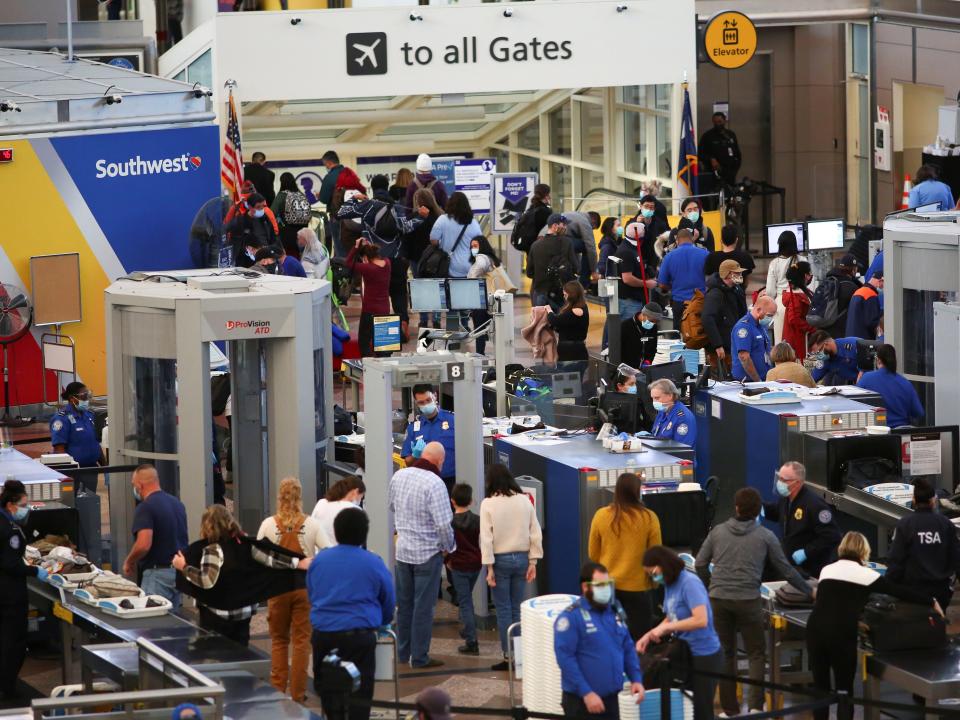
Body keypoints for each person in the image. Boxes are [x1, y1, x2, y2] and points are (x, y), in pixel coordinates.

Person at [695, 487, 813, 717]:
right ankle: (756, 707)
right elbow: (786, 570)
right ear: (758, 510)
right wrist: (809, 591)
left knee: (726, 654)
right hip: (749, 601)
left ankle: (729, 710)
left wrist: (710, 585)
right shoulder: (766, 537)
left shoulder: (718, 532)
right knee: (756, 655)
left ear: (736, 508)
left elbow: (700, 563)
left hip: (718, 600)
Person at [807, 532, 939, 720]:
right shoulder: (868, 575)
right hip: (841, 634)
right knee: (844, 691)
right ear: (864, 551)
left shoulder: (826, 570)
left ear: (842, 547)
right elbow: (898, 592)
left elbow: (830, 600)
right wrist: (931, 601)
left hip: (815, 630)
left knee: (820, 689)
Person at [173, 504, 309, 646]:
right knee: (242, 652)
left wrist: (183, 567)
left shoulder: (213, 548)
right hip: (244, 611)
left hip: (219, 614)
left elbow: (207, 580)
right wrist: (297, 563)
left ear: (207, 525)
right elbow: (270, 559)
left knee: (218, 654)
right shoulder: (245, 543)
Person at [307, 507, 394, 720]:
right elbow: (388, 600)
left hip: (324, 634)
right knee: (361, 693)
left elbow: (312, 592)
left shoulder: (320, 561)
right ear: (364, 533)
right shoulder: (373, 562)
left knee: (327, 690)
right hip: (360, 636)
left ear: (336, 532)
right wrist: (382, 622)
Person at [257, 478, 326, 703]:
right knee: (301, 642)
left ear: (280, 497)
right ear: (300, 497)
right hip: (303, 589)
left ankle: (277, 691)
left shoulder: (269, 524)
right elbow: (328, 552)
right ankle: (297, 695)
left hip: (277, 589)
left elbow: (257, 555)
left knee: (278, 640)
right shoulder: (312, 524)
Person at [390, 442, 454, 668]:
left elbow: (392, 507)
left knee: (404, 605)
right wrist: (449, 548)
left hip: (403, 552)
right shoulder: (435, 483)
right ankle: (419, 657)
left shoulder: (399, 476)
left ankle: (402, 652)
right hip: (427, 554)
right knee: (423, 608)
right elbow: (444, 525)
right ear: (439, 461)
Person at [638, 546, 721, 720]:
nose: (653, 577)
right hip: (685, 653)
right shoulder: (670, 584)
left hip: (704, 654)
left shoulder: (689, 582)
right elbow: (671, 615)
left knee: (701, 711)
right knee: (685, 708)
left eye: (653, 572)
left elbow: (701, 619)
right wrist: (651, 633)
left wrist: (667, 628)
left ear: (663, 564)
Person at [554, 561, 644, 719]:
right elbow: (565, 659)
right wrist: (586, 693)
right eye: (600, 585)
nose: (606, 590)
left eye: (608, 584)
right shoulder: (571, 617)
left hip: (610, 699)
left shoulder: (614, 611)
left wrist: (636, 678)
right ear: (585, 587)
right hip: (582, 701)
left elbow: (627, 646)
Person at [480, 464, 543, 671]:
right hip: (522, 559)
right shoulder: (524, 500)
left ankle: (508, 657)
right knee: (517, 608)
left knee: (503, 609)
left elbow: (486, 539)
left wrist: (489, 568)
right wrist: (533, 561)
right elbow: (535, 532)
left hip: (500, 561)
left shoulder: (488, 504)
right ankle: (522, 657)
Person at [588, 473, 662, 639]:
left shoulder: (601, 515)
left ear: (617, 491)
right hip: (639, 589)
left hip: (606, 587)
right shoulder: (649, 518)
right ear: (638, 492)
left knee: (607, 638)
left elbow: (593, 554)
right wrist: (656, 585)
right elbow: (656, 556)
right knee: (638, 640)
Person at [0, 480, 47, 706]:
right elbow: (10, 563)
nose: (26, 509)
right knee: (14, 641)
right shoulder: (9, 530)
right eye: (23, 504)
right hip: (10, 594)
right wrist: (34, 570)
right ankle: (7, 688)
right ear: (11, 505)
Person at [885, 477, 960, 610]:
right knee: (937, 626)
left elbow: (896, 560)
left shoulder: (905, 524)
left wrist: (890, 587)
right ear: (933, 500)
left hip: (913, 593)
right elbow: (956, 557)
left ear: (913, 500)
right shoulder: (945, 524)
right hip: (940, 591)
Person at [121, 464, 188, 607]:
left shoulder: (145, 508)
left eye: (134, 484)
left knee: (153, 623)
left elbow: (144, 544)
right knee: (171, 620)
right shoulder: (177, 503)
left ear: (139, 485)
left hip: (157, 575)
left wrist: (129, 560)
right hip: (177, 573)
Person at [762, 461, 842, 578]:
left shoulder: (815, 505)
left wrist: (806, 552)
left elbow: (832, 536)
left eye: (784, 480)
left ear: (797, 483)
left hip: (810, 570)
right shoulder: (786, 499)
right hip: (792, 566)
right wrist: (761, 507)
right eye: (779, 478)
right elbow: (779, 513)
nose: (780, 483)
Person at [448, 483, 482, 655]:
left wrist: (447, 559)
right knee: (467, 597)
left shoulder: (451, 523)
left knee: (465, 602)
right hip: (476, 564)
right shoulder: (478, 520)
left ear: (452, 501)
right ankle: (467, 628)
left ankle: (471, 640)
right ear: (471, 501)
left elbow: (448, 545)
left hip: (459, 565)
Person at [50, 381, 104, 491]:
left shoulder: (89, 415)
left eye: (87, 396)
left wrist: (105, 465)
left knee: (89, 502)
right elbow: (59, 448)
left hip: (91, 468)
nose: (86, 400)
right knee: (73, 503)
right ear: (72, 398)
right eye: (83, 396)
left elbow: (95, 442)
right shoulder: (61, 419)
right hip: (74, 471)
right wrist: (68, 472)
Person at [401, 385, 456, 489]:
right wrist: (415, 455)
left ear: (435, 396)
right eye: (421, 402)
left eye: (428, 400)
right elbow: (408, 462)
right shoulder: (413, 428)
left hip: (451, 482)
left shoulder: (453, 421)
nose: (426, 404)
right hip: (424, 484)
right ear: (416, 403)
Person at [856, 344, 924, 427]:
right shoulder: (906, 383)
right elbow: (918, 412)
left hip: (878, 433)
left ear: (878, 360)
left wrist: (857, 384)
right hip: (902, 433)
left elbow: (855, 405)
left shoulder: (867, 378)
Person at [346, 240, 391, 357]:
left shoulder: (368, 269)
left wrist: (356, 247)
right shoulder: (387, 263)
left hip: (369, 311)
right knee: (384, 347)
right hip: (385, 310)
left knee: (364, 343)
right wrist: (369, 245)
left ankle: (369, 368)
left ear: (365, 257)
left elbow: (348, 263)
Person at [657, 229, 708, 330]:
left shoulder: (669, 257)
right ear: (692, 238)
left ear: (677, 240)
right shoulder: (705, 254)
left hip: (679, 303)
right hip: (700, 302)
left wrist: (673, 286)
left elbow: (662, 284)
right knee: (700, 334)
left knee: (680, 336)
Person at [702, 259, 748, 373]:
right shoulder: (715, 294)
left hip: (733, 344)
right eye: (736, 273)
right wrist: (718, 345)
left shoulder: (736, 289)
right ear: (727, 274)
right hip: (723, 347)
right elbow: (707, 318)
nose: (740, 275)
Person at [526, 213, 578, 310]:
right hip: (561, 294)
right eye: (564, 225)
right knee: (561, 321)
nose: (566, 227)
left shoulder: (535, 245)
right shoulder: (567, 242)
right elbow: (576, 268)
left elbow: (529, 273)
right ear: (555, 226)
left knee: (541, 323)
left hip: (540, 293)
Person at [765, 231, 805, 344]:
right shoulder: (803, 261)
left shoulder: (774, 263)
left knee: (781, 343)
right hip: (800, 304)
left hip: (781, 305)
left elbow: (770, 291)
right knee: (800, 342)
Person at [614, 223, 659, 322]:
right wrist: (646, 283)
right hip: (628, 301)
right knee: (628, 330)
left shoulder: (632, 248)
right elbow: (627, 278)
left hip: (633, 299)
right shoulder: (626, 251)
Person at [698, 112, 741, 209]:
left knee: (731, 201)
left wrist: (734, 170)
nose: (718, 124)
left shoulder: (731, 135)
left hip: (730, 175)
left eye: (720, 121)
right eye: (715, 122)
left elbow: (737, 154)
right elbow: (700, 154)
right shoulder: (708, 136)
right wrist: (711, 159)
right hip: (714, 176)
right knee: (714, 201)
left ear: (725, 121)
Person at [466, 236, 501, 355]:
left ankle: (479, 355)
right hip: (492, 300)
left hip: (481, 301)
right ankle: (498, 358)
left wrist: (472, 276)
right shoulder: (491, 258)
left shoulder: (481, 257)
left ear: (482, 246)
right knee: (494, 332)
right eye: (471, 246)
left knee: (479, 332)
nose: (473, 248)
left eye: (475, 246)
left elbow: (478, 269)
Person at [731, 296, 776, 382]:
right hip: (749, 382)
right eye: (769, 315)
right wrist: (758, 381)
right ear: (758, 310)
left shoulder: (760, 326)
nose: (770, 318)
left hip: (763, 378)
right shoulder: (744, 327)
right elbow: (744, 357)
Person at [311, 476, 366, 547]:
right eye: (361, 497)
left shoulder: (321, 503)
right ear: (355, 492)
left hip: (318, 554)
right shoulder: (355, 510)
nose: (360, 501)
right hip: (342, 555)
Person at [820, 254, 862, 340]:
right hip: (841, 332)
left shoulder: (827, 281)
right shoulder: (851, 287)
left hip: (823, 330)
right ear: (853, 270)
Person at [271, 172, 311, 259]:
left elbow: (272, 212)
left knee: (290, 255)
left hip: (287, 231)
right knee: (303, 255)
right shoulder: (301, 194)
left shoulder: (282, 195)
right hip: (303, 230)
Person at [547, 280, 590, 362]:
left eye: (565, 294)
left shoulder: (577, 311)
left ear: (572, 294)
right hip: (571, 349)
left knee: (569, 373)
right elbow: (565, 325)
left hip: (571, 352)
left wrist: (549, 311)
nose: (564, 296)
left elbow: (555, 320)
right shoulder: (580, 306)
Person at [781, 263, 815, 360]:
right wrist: (811, 328)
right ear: (805, 276)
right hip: (799, 341)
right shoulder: (796, 296)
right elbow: (794, 319)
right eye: (809, 273)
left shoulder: (799, 292)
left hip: (800, 339)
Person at [648, 378, 697, 445]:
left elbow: (682, 449)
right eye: (652, 398)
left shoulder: (682, 418)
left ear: (670, 396)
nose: (654, 402)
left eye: (657, 398)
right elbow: (655, 435)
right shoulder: (663, 411)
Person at [626, 195, 668, 271]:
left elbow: (665, 242)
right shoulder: (631, 222)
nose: (649, 209)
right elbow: (628, 239)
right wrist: (636, 224)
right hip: (637, 261)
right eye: (646, 206)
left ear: (654, 209)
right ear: (641, 206)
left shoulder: (660, 224)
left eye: (651, 207)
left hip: (654, 262)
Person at [620, 302, 664, 368]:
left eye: (656, 322)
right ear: (643, 315)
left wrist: (648, 361)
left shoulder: (653, 327)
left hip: (643, 369)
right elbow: (619, 351)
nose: (653, 324)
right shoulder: (625, 326)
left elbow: (653, 349)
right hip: (627, 368)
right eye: (652, 321)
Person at [845, 270, 883, 340]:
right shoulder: (871, 295)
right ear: (880, 281)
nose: (883, 287)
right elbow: (871, 322)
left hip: (851, 336)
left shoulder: (858, 291)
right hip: (863, 339)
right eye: (883, 285)